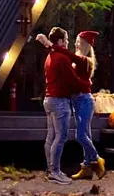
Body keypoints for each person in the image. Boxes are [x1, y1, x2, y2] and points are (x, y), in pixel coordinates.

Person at [38, 30, 107, 181]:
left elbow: (71, 68)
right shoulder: (71, 58)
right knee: (85, 134)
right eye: (75, 40)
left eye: (79, 42)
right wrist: (51, 46)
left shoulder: (86, 60)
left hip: (84, 100)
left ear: (86, 45)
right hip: (75, 100)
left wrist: (49, 44)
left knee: (80, 135)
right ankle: (87, 167)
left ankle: (97, 159)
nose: (75, 44)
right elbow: (66, 58)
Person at [42, 27, 91, 185]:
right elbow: (73, 80)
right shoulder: (62, 58)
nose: (68, 43)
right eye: (66, 40)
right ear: (60, 41)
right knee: (61, 137)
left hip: (49, 99)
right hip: (59, 101)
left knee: (51, 136)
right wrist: (87, 84)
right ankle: (55, 172)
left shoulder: (50, 56)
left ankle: (50, 170)